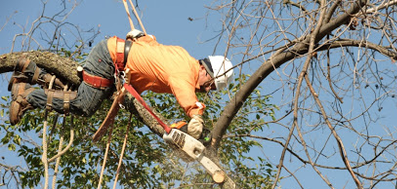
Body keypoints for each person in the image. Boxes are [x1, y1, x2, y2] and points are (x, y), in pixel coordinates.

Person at [8, 30, 234, 139]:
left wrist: (142, 38)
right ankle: (26, 96)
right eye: (210, 85)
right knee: (84, 105)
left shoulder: (182, 57)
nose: (206, 90)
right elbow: (184, 91)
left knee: (80, 92)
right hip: (110, 59)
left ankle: (29, 71)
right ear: (206, 70)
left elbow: (154, 48)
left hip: (113, 57)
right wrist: (196, 114)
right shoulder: (185, 71)